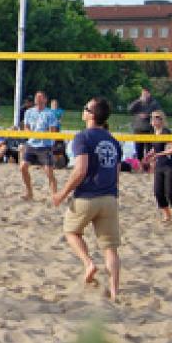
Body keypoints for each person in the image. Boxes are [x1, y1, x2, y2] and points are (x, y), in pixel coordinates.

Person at [51, 97, 123, 302]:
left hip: (87, 197)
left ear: (91, 115)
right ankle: (115, 292)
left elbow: (80, 171)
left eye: (85, 108)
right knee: (111, 249)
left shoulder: (83, 137)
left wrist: (62, 194)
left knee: (71, 232)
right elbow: (116, 176)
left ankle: (88, 263)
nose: (83, 111)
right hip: (109, 198)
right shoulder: (113, 141)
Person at [143, 110, 172, 222]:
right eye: (152, 117)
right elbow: (158, 147)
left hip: (171, 166)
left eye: (156, 117)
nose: (153, 119)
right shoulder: (154, 133)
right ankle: (167, 215)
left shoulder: (166, 132)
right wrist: (150, 154)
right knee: (158, 192)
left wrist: (157, 154)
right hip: (160, 165)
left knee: (170, 194)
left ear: (162, 120)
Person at [21, 91, 59, 200]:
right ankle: (29, 193)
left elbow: (53, 131)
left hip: (44, 145)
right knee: (23, 167)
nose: (37, 99)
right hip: (32, 144)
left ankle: (54, 196)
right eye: (36, 97)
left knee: (49, 172)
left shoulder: (50, 114)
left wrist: (42, 134)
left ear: (45, 100)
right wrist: (31, 133)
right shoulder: (29, 112)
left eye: (40, 97)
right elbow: (26, 127)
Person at [127, 86, 161, 163]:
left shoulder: (154, 103)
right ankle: (140, 165)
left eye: (146, 93)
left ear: (149, 94)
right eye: (143, 93)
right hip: (138, 129)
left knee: (149, 150)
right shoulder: (138, 102)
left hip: (149, 129)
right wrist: (138, 101)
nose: (144, 95)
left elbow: (159, 113)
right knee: (138, 149)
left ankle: (148, 165)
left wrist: (148, 115)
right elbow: (129, 109)